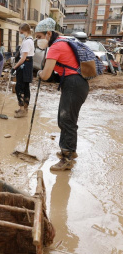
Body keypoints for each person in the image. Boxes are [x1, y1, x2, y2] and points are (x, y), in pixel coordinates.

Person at [35, 18, 89, 171]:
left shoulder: (56, 46)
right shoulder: (62, 42)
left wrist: (39, 73)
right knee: (65, 118)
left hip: (73, 84)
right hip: (76, 83)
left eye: (39, 37)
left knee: (66, 120)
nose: (38, 40)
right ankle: (69, 150)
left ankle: (67, 158)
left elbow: (45, 75)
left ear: (49, 33)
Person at [11, 23, 35, 118]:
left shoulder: (27, 42)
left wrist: (15, 67)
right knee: (25, 87)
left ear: (25, 31)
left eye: (21, 32)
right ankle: (24, 109)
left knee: (19, 87)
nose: (20, 34)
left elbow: (23, 58)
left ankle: (22, 109)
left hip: (24, 65)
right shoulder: (28, 40)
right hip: (27, 65)